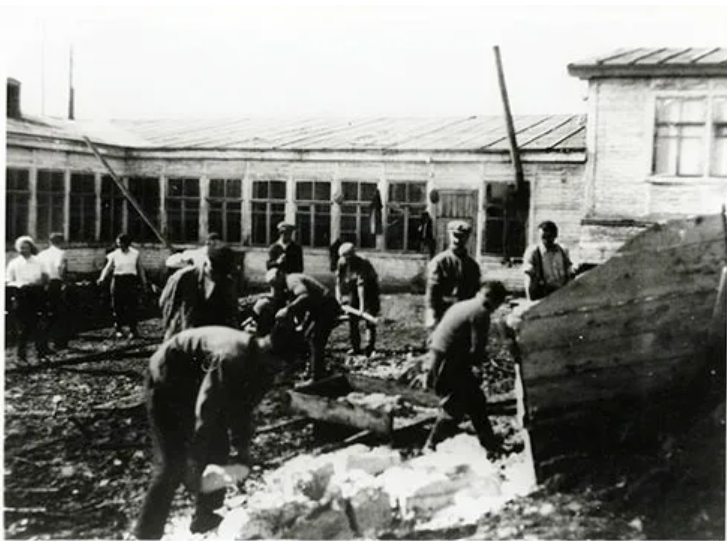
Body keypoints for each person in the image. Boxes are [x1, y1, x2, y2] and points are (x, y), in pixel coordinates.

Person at [133, 323, 301, 539]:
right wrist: (195, 458)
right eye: (281, 365)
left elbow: (244, 410)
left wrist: (243, 449)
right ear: (269, 351)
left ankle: (205, 516)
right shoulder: (231, 356)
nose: (282, 372)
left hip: (196, 379)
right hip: (168, 378)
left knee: (219, 451)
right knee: (172, 464)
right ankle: (146, 533)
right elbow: (206, 409)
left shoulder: (263, 367)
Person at [416, 281, 509, 457]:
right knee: (454, 408)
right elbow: (477, 349)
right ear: (493, 300)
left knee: (476, 403)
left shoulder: (463, 305)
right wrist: (480, 364)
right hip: (450, 363)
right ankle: (431, 446)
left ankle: (490, 445)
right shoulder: (481, 313)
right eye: (498, 304)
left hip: (441, 360)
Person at [253, 268, 341, 381]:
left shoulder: (291, 280)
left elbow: (304, 296)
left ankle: (317, 376)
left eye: (276, 284)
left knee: (316, 339)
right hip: (318, 309)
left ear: (280, 275)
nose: (276, 288)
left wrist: (288, 309)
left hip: (327, 306)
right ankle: (315, 370)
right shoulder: (288, 283)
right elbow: (302, 304)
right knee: (308, 336)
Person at [159, 245, 239, 342]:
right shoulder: (182, 278)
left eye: (222, 273)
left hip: (210, 338)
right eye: (214, 272)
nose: (217, 276)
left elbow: (231, 312)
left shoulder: (227, 282)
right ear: (207, 262)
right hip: (182, 335)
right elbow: (166, 304)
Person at [424, 220, 481, 331]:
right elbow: (432, 290)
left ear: (468, 238)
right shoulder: (440, 262)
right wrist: (430, 312)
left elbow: (476, 291)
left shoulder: (472, 265)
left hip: (464, 313)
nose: (457, 240)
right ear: (449, 235)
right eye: (455, 235)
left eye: (462, 236)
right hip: (443, 312)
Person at [6, 236, 50, 364]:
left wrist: (41, 281)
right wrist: (17, 285)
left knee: (40, 325)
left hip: (37, 294)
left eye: (25, 247)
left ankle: (41, 355)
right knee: (23, 328)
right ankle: (21, 357)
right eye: (20, 248)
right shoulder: (14, 263)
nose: (23, 250)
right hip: (21, 294)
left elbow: (46, 277)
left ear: (31, 247)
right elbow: (8, 280)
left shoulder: (38, 261)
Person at [98, 234, 148, 339]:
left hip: (131, 281)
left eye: (121, 243)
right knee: (117, 305)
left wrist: (144, 282)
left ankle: (133, 330)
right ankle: (118, 329)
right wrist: (102, 278)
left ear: (127, 243)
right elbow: (108, 267)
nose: (119, 245)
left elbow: (140, 269)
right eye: (118, 243)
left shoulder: (135, 254)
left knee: (132, 306)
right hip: (118, 281)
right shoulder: (115, 254)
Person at [335, 242, 380, 356]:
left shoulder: (362, 263)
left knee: (369, 320)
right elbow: (338, 281)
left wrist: (361, 308)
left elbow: (362, 286)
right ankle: (355, 347)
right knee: (352, 319)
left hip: (370, 290)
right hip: (353, 290)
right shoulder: (341, 262)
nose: (346, 261)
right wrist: (338, 296)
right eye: (344, 258)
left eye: (348, 258)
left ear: (352, 255)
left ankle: (369, 348)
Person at [522, 220, 574, 301]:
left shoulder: (563, 250)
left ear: (555, 235)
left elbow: (570, 274)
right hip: (543, 295)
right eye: (543, 237)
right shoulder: (533, 252)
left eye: (549, 236)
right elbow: (528, 276)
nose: (546, 240)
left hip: (561, 293)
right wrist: (529, 299)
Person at [37, 232, 69, 349]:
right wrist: (64, 283)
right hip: (55, 283)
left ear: (49, 242)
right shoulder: (61, 253)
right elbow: (61, 269)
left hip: (44, 283)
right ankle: (59, 342)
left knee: (46, 313)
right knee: (59, 312)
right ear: (61, 242)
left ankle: (44, 342)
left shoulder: (42, 254)